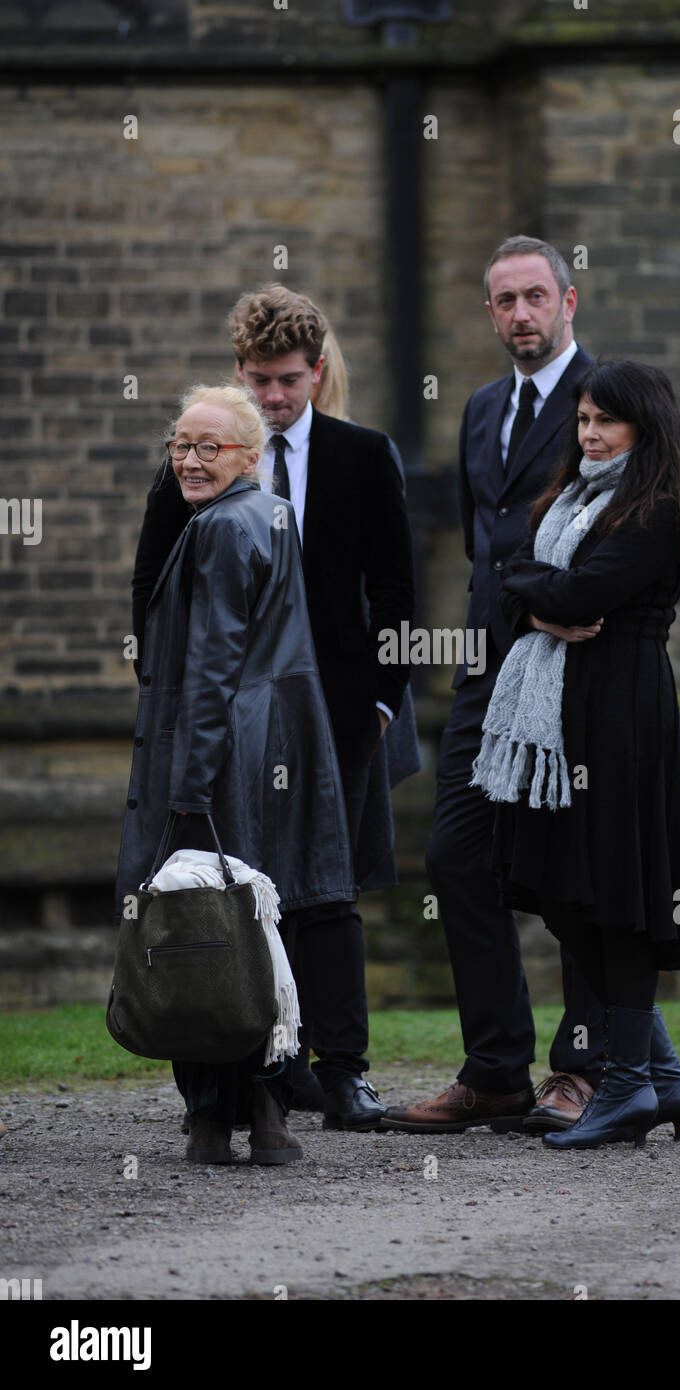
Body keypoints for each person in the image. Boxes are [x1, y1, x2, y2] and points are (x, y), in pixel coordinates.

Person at [130, 287, 415, 1131]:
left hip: (336, 712)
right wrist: (166, 689)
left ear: (316, 372)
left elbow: (396, 588)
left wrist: (381, 700)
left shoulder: (363, 456)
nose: (272, 397)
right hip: (226, 714)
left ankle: (347, 1069)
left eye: (288, 380)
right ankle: (267, 1067)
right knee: (238, 879)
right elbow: (151, 586)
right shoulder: (195, 461)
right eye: (257, 379)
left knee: (328, 888)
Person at [472, 358, 680, 1149]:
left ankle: (624, 1086)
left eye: (604, 421)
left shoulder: (658, 508)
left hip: (619, 712)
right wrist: (531, 587)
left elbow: (576, 594)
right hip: (560, 713)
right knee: (563, 889)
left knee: (615, 889)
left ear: (643, 428)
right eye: (581, 420)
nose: (588, 433)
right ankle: (658, 1071)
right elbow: (524, 581)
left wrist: (531, 586)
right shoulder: (570, 499)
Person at [384, 236, 595, 1134]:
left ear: (567, 302)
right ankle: (496, 1071)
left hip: (575, 670)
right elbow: (484, 544)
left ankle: (582, 1070)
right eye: (504, 301)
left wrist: (563, 605)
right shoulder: (477, 409)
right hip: (486, 672)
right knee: (455, 858)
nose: (520, 315)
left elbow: (632, 526)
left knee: (576, 872)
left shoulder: (609, 399)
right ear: (489, 312)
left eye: (534, 297)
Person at [115, 385, 356, 1164]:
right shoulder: (271, 512)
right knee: (257, 923)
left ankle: (216, 1112)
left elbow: (213, 665)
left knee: (198, 919)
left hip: (217, 751)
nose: (188, 459)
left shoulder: (220, 528)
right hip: (273, 747)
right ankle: (267, 1108)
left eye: (208, 447)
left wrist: (188, 791)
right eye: (178, 445)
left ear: (251, 456)